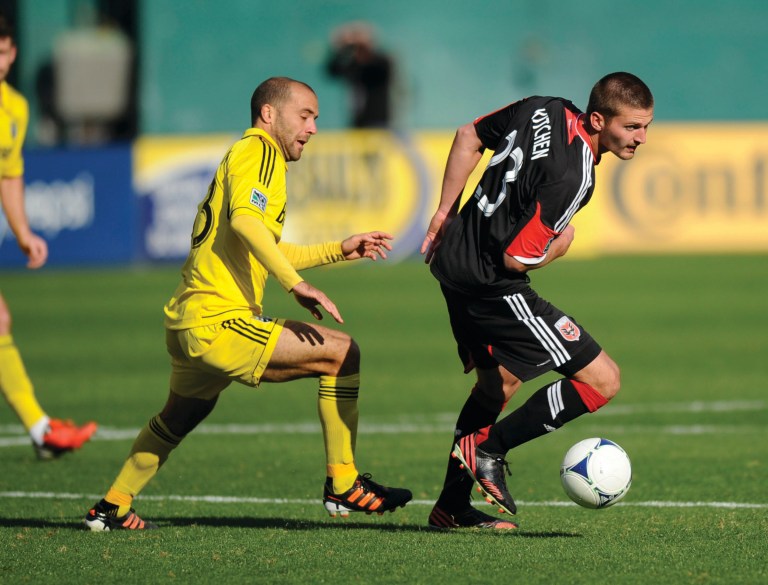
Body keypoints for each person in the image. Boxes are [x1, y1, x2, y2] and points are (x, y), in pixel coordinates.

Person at [84, 77, 412, 531]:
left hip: (189, 321)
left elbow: (264, 244)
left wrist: (339, 248)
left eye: (316, 118)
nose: (314, 127)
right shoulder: (259, 151)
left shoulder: (249, 159)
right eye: (306, 115)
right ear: (269, 114)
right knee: (341, 353)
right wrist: (296, 284)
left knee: (182, 415)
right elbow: (244, 223)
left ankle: (112, 506)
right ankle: (343, 484)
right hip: (218, 320)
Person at [420, 72, 653, 530]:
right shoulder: (575, 176)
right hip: (492, 283)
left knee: (496, 386)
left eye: (646, 127)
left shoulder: (541, 106)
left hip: (452, 264)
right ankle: (490, 447)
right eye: (631, 128)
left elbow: (469, 135)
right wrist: (561, 246)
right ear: (598, 119)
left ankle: (451, 508)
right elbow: (516, 260)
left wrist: (445, 211)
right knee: (603, 380)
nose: (641, 138)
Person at [0, 12, 97, 460]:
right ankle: (40, 430)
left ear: (13, 52)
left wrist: (22, 232)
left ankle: (40, 430)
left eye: (2, 52)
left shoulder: (15, 108)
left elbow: (9, 175)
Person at [326, 22, 393, 128]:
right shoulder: (353, 65)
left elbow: (376, 70)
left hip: (379, 121)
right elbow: (332, 71)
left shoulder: (382, 61)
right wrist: (341, 49)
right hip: (357, 121)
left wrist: (364, 47)